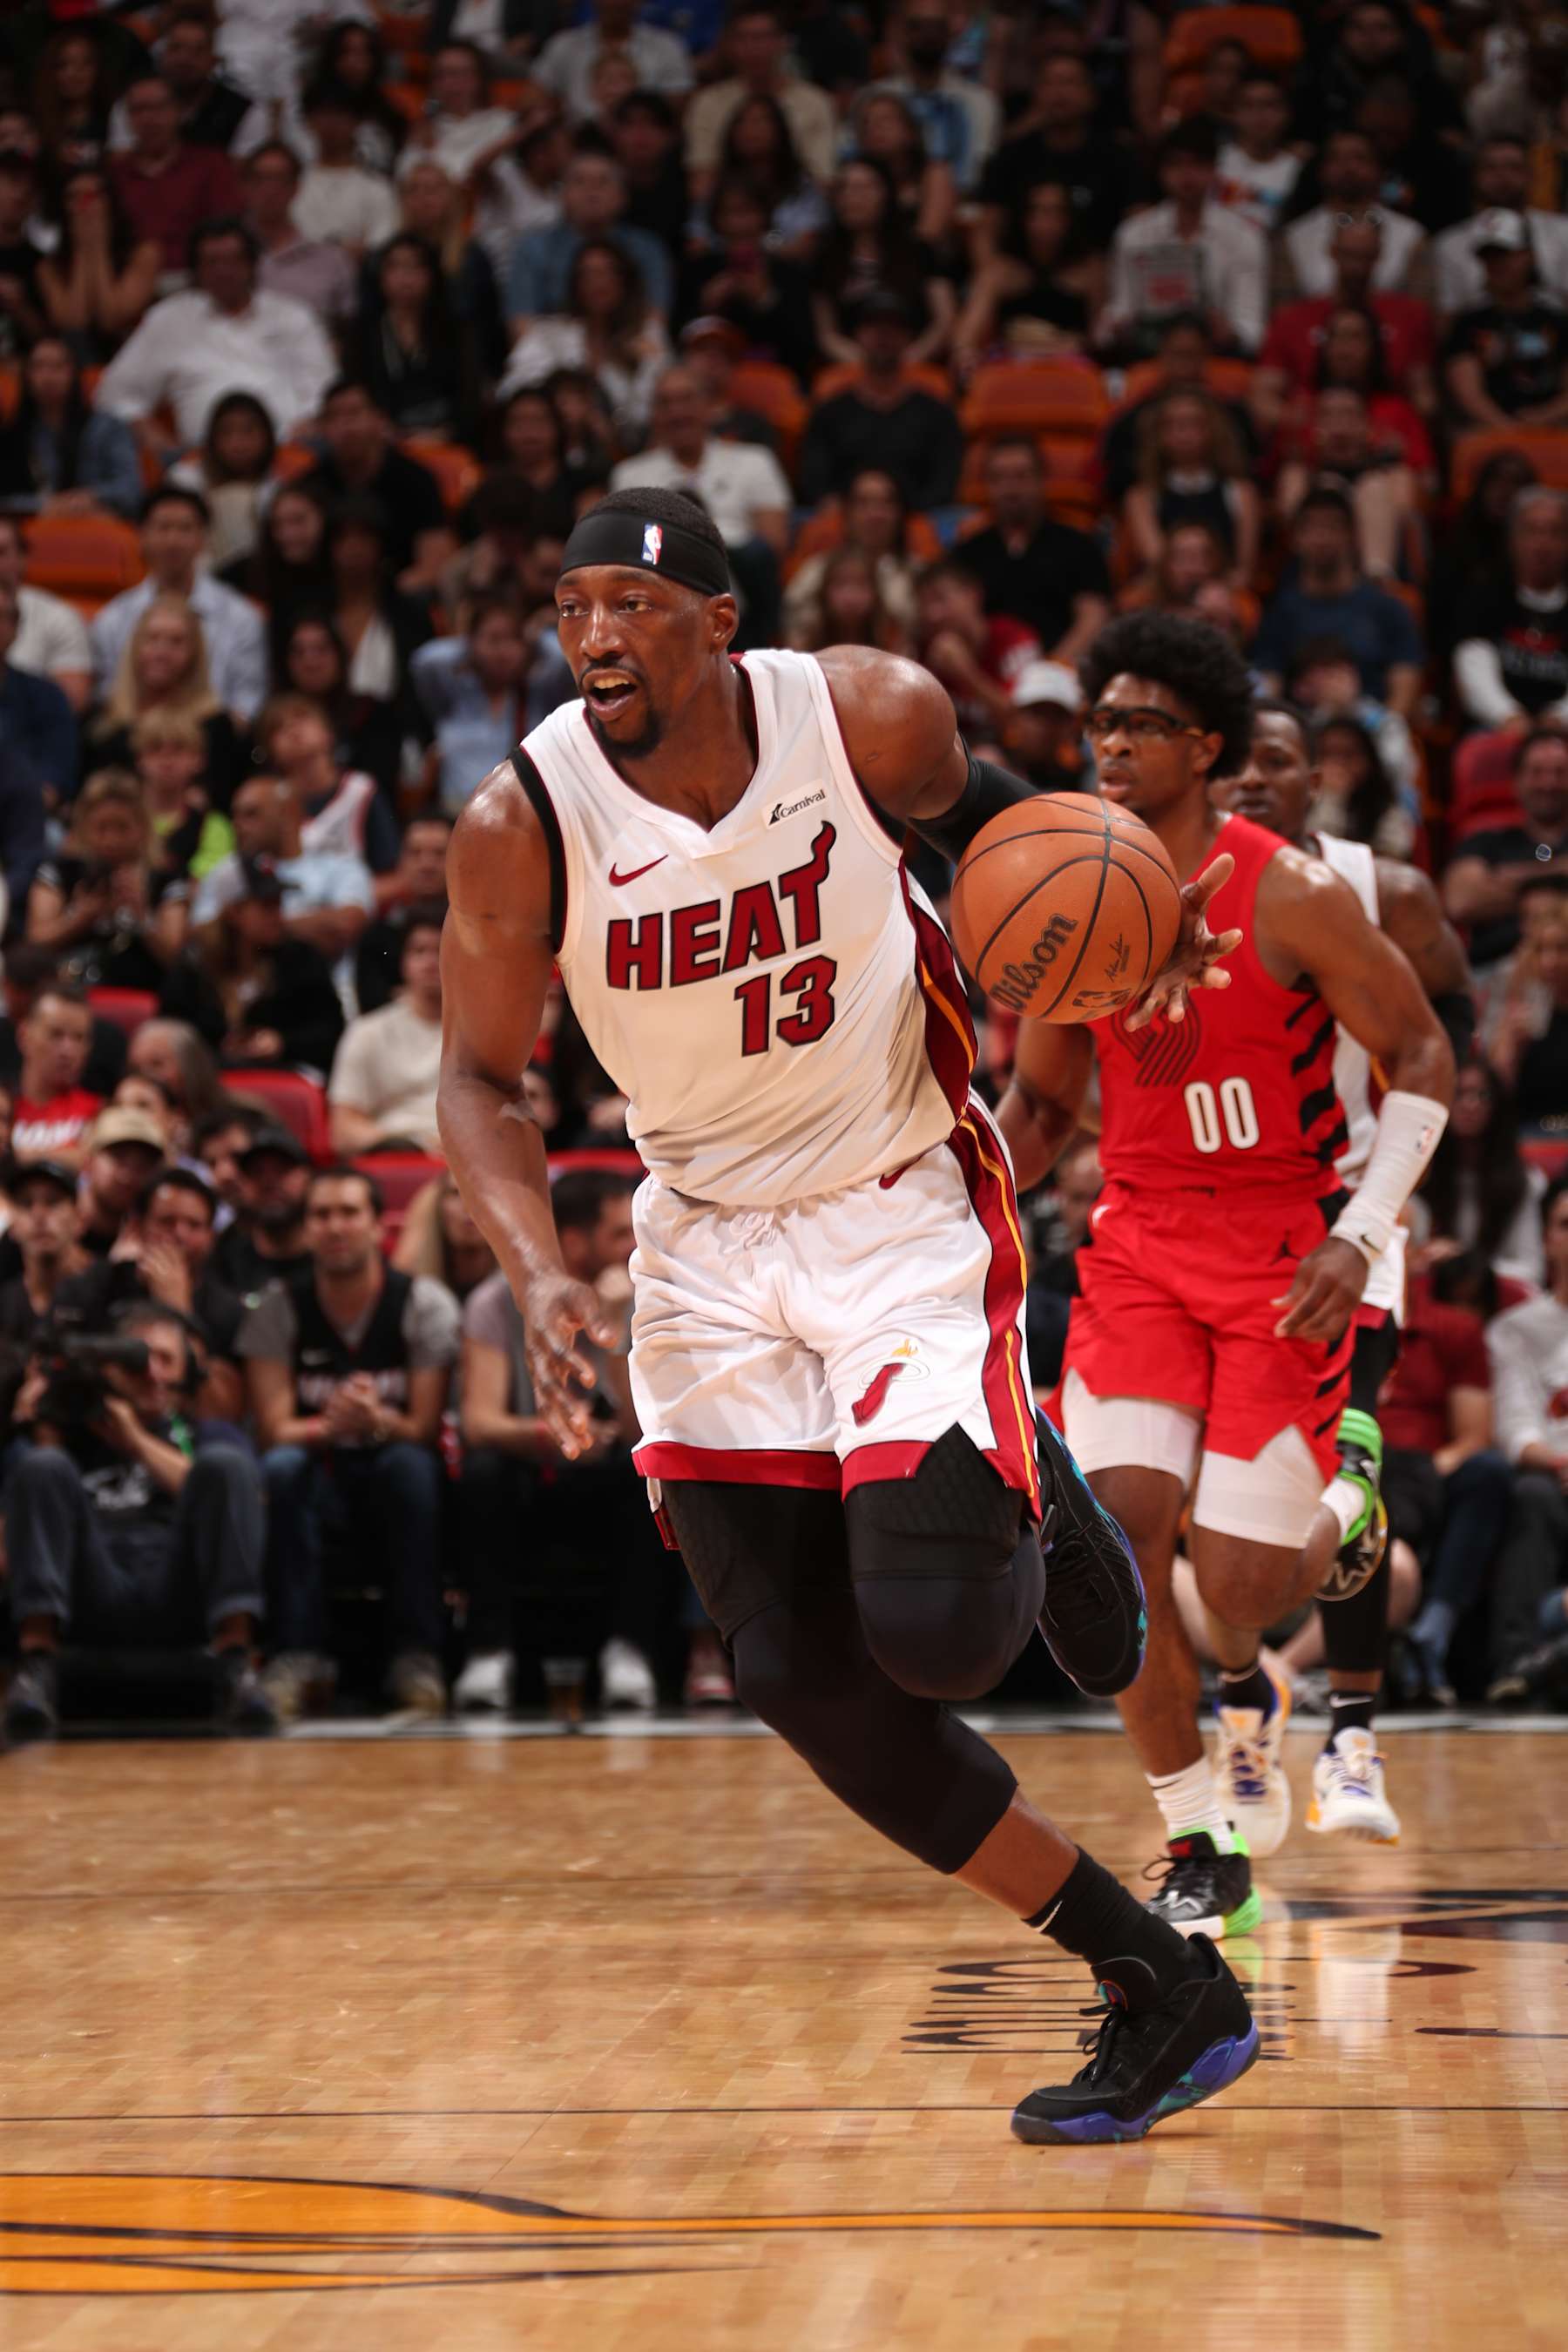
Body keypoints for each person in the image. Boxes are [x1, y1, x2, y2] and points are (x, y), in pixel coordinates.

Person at [436, 482, 1258, 2146]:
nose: (595, 632)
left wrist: (1121, 938)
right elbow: (473, 1078)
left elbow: (1035, 854)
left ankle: (1038, 1478)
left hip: (895, 1197)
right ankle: (1154, 1979)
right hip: (703, 1249)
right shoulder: (522, 817)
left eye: (633, 604)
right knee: (803, 1673)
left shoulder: (865, 714)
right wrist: (536, 1272)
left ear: (724, 625)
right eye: (574, 604)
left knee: (943, 1634)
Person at [998, 612, 1453, 1932]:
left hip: (1280, 1252)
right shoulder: (1077, 896)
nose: (1111, 747)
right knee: (1115, 1547)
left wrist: (1359, 1233)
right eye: (1102, 726)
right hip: (1137, 1245)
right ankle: (1199, 1834)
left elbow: (1423, 1056)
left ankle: (1342, 1523)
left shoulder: (1295, 893)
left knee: (1244, 1593)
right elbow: (1036, 1109)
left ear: (1206, 746)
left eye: (1139, 725)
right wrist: (948, 1187)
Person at [1215, 702, 1472, 1833]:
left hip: (1345, 1233)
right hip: (1207, 1229)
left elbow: (1445, 1031)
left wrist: (1395, 1194)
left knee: (1338, 1472)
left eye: (1278, 761)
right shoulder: (1163, 889)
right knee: (1213, 1504)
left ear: (1313, 775)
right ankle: (1245, 1700)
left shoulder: (1387, 895)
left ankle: (1354, 1735)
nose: (1257, 780)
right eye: (1238, 764)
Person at [456, 1167, 689, 1716]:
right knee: (482, 1473)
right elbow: (481, 1424)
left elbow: (643, 1429)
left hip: (608, 1470)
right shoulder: (496, 1301)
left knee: (649, 1475)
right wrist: (552, 1433)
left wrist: (613, 1327)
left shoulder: (644, 1299)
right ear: (576, 1241)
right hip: (527, 1466)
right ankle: (489, 1651)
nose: (635, 1245)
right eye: (619, 1234)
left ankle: (629, 1651)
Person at [2, 1297, 274, 1744]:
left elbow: (252, 1510)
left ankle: (237, 1663)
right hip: (94, 1588)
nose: (152, 1372)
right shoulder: (67, 1437)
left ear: (185, 1370)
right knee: (42, 1467)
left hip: (177, 1588)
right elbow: (11, 1549)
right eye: (137, 1358)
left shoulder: (209, 1433)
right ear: (109, 1366)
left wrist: (135, 1442)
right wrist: (41, 1430)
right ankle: (36, 1668)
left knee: (225, 1465)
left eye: (166, 1360)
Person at [242, 1164, 458, 1723]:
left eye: (348, 1213)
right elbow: (273, 1431)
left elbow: (423, 1427)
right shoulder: (276, 1308)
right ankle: (296, 1656)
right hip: (319, 1471)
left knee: (412, 1466)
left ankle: (417, 1657)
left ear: (375, 1227)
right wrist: (334, 1425)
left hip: (392, 1467)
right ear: (307, 1228)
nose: (335, 1226)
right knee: (283, 1468)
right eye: (321, 1215)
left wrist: (375, 1420)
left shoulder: (423, 1304)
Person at [96, 215, 336, 451]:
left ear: (252, 263)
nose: (224, 271)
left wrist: (308, 424)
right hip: (202, 463)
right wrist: (157, 440)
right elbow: (113, 394)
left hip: (289, 454)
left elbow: (325, 388)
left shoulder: (292, 315)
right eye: (212, 262)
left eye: (233, 260)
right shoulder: (170, 318)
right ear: (196, 269)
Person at [53, 1164, 246, 1424]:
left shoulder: (227, 1309)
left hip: (189, 1439)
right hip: (98, 1424)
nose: (180, 1234)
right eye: (167, 1221)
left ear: (211, 1236)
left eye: (194, 1225)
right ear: (137, 1226)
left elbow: (223, 1412)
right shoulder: (96, 1285)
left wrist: (179, 1311)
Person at [611, 368, 792, 644]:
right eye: (665, 404)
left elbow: (774, 542)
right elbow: (628, 553)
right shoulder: (631, 475)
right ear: (654, 415)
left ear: (709, 407)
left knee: (755, 556)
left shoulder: (754, 461)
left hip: (740, 575)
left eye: (686, 400)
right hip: (663, 576)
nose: (677, 413)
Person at [1485, 1179, 1568, 1704]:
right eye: (1566, 1224)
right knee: (1528, 1496)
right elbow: (1516, 1431)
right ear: (1545, 1240)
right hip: (1555, 1479)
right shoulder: (1516, 1328)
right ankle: (1514, 1663)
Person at [91, 487, 268, 725]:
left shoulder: (242, 617)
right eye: (163, 528)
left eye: (185, 529)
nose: (173, 540)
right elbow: (107, 698)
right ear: (141, 536)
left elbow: (248, 702)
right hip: (134, 740)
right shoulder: (112, 618)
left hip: (216, 745)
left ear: (204, 539)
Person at [1100, 121, 1267, 357]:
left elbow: (1252, 327)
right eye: (1176, 164)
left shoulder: (1243, 236)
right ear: (1161, 172)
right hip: (1147, 355)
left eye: (1198, 164)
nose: (1186, 175)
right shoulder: (1134, 233)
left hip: (1216, 359)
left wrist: (1230, 333)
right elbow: (1121, 308)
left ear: (1214, 171)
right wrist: (1116, 327)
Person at [1254, 489, 1423, 720]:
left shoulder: (1388, 609)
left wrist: (1382, 733)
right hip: (1303, 732)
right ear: (1296, 539)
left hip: (1371, 733)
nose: (1323, 537)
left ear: (1353, 536)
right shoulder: (1279, 613)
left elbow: (1404, 690)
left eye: (1333, 527)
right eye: (1312, 527)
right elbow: (1269, 688)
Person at [25, 768, 188, 996]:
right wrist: (80, 917)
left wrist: (142, 917)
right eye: (101, 828)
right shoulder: (59, 873)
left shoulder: (166, 882)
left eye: (122, 828)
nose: (111, 840)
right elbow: (35, 942)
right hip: (71, 995)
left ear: (142, 829)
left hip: (145, 994)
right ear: (84, 828)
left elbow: (175, 957)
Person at [182, 851, 346, 1075]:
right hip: (210, 1086)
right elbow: (177, 1036)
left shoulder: (301, 960)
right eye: (267, 906)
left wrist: (282, 1043)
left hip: (284, 1076)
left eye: (279, 903)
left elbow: (333, 1032)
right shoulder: (196, 966)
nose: (278, 914)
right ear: (234, 911)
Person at [797, 293, 963, 513]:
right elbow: (815, 482)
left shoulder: (937, 413)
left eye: (893, 328)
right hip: (845, 522)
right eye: (874, 327)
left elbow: (944, 484)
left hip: (918, 520)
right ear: (858, 335)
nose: (884, 336)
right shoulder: (829, 412)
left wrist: (900, 517)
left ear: (908, 337)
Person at [977, 51, 1143, 261]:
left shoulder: (1118, 157)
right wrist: (991, 266)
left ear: (1091, 95)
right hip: (1020, 270)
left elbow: (1139, 225)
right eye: (1050, 83)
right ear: (1036, 93)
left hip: (1098, 272)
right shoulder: (1011, 155)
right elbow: (987, 227)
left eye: (1070, 83)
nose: (1060, 93)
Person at [503, 236, 671, 444]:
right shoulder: (549, 335)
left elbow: (661, 408)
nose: (598, 281)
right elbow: (511, 392)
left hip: (631, 449)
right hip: (558, 450)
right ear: (575, 283)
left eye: (607, 272)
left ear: (624, 280)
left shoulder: (647, 335)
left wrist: (642, 367)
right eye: (588, 273)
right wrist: (560, 406)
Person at [412, 601, 569, 818]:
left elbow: (562, 659)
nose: (503, 652)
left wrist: (539, 636)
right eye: (494, 640)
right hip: (456, 816)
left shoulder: (539, 694)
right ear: (472, 642)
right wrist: (467, 644)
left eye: (514, 640)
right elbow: (424, 660)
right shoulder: (454, 696)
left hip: (519, 818)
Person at [298, 380, 453, 598]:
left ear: (380, 420)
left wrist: (380, 602)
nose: (346, 426)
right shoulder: (309, 486)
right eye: (334, 417)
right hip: (328, 600)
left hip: (400, 597)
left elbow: (435, 565)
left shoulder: (417, 480)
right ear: (322, 428)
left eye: (354, 414)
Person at [88, 595, 241, 809]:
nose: (162, 652)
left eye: (176, 641)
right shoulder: (105, 725)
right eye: (152, 639)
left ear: (195, 654)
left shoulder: (216, 727)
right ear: (135, 647)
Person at [1443, 725, 1568, 970]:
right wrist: (1559, 875)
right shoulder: (1484, 840)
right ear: (1517, 780)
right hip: (1495, 970)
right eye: (1537, 772)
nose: (1548, 783)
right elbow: (1460, 901)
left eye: (1560, 772)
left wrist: (1504, 880)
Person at [1415, 1058, 1546, 1289]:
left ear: (1497, 1105)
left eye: (1482, 1096)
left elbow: (1531, 1273)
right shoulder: (1419, 1177)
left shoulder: (1526, 1182)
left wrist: (1463, 1262)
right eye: (1459, 1094)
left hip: (1498, 1306)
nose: (1470, 1104)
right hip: (1431, 1302)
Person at [506, 148, 674, 327]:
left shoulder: (647, 249)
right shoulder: (534, 248)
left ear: (623, 197)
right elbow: (521, 324)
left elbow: (655, 323)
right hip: (551, 350)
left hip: (628, 348)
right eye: (579, 182)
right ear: (562, 195)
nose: (591, 191)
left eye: (603, 182)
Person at [685, 3, 838, 197]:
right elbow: (701, 183)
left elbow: (824, 181)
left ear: (784, 42)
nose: (754, 48)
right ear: (730, 45)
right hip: (730, 211)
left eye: (763, 38)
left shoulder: (816, 101)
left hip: (797, 211)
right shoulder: (707, 103)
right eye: (744, 39)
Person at [328, 909, 444, 1155]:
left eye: (442, 950)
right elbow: (343, 1130)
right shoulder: (366, 1032)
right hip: (393, 1153)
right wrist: (416, 1146)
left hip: (464, 1161)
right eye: (419, 951)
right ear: (404, 962)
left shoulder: (482, 1035)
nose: (431, 962)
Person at [951, 179, 1100, 371]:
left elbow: (1100, 341)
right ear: (1024, 218)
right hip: (1009, 368)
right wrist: (965, 355)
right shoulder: (1000, 273)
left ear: (1070, 219)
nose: (1047, 223)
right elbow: (966, 338)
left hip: (1072, 372)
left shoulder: (1090, 272)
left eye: (1057, 212)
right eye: (1038, 212)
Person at [1453, 488, 1568, 733]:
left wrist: (1560, 718)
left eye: (1555, 532)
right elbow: (1473, 669)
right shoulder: (1484, 597)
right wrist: (1508, 717)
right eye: (1532, 531)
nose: (1543, 543)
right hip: (1497, 728)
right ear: (1512, 539)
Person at [1121, 389, 1260, 591]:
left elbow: (1243, 571)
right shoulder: (1141, 496)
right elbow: (1157, 560)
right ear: (1159, 434)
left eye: (1193, 424)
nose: (1184, 433)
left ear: (1212, 430)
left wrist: (1213, 594)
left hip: (1222, 593)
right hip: (1165, 593)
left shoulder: (1241, 492)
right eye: (1173, 425)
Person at [107, 76, 244, 280]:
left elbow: (227, 231)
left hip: (197, 282)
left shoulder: (211, 165)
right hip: (127, 283)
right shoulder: (112, 173)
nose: (148, 119)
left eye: (158, 108)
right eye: (138, 110)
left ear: (178, 111)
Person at [1443, 209, 1568, 429]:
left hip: (1551, 430)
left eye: (1506, 254)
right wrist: (1507, 428)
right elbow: (1467, 392)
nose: (1497, 264)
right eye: (1489, 256)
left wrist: (1542, 418)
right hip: (1490, 432)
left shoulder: (1557, 321)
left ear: (1529, 255)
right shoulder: (1468, 323)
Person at [351, 232, 479, 446]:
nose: (405, 277)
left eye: (415, 267)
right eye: (395, 267)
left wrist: (444, 433)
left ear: (432, 275)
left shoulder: (455, 329)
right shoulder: (364, 331)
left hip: (446, 439)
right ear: (381, 276)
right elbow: (356, 389)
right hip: (384, 442)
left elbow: (469, 395)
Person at [869, 4, 999, 196]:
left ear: (951, 32)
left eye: (936, 26)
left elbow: (978, 175)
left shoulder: (980, 103)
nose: (927, 35)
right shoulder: (874, 99)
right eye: (917, 26)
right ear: (901, 32)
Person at [1283, 128, 1425, 299]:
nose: (1348, 168)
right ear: (1322, 170)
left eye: (1359, 158)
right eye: (1337, 159)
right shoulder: (1294, 236)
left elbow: (1419, 310)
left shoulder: (1411, 235)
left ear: (1379, 169)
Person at [1434, 138, 1568, 316]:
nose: (1502, 176)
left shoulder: (1564, 232)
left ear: (1531, 175)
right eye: (1491, 168)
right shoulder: (1450, 243)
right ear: (1475, 176)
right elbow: (1448, 317)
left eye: (1514, 167)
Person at [915, 558, 1042, 738]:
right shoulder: (924, 652)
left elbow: (1026, 726)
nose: (932, 615)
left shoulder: (1015, 639)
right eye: (924, 605)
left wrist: (966, 673)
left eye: (940, 599)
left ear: (973, 595)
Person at [242, 143, 356, 331]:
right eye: (261, 179)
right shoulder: (221, 255)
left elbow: (347, 331)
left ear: (296, 187)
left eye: (279, 179)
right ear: (245, 185)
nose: (270, 189)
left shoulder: (332, 260)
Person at [533, 0, 693, 124]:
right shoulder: (563, 45)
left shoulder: (668, 47)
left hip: (645, 147)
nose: (617, 2)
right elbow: (534, 101)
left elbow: (676, 111)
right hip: (578, 146)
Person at [294, 78, 402, 255]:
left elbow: (380, 249)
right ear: (308, 121)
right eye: (323, 114)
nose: (331, 123)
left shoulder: (378, 188)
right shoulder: (294, 184)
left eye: (340, 114)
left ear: (357, 122)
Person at [0, 513, 91, 713]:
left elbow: (70, 704)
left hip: (29, 734)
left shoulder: (59, 618)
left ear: (22, 559)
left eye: (1, 552)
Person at [213, 1125, 313, 1301]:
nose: (269, 1182)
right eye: (257, 1172)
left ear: (307, 1177)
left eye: (282, 1170)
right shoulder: (224, 1256)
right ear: (242, 1184)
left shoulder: (331, 1258)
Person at [0, 583, 77, 808]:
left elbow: (54, 783)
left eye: (4, 617)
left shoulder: (48, 697)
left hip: (24, 822)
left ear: (16, 628)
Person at [10, 981, 101, 1166]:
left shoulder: (98, 1111)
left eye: (79, 1038)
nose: (68, 1051)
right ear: (24, 1036)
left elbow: (95, 1163)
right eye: (56, 1035)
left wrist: (14, 1159)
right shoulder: (4, 1107)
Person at [1214, 72, 1301, 238]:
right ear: (1234, 113)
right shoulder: (1214, 161)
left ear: (1286, 113)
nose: (1259, 114)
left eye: (1268, 105)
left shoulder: (1298, 170)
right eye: (1248, 105)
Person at [75, 1106, 168, 1258]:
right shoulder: (56, 1231)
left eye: (143, 1164)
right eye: (118, 1157)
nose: (128, 1175)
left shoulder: (157, 1241)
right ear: (88, 1162)